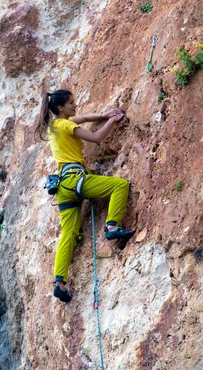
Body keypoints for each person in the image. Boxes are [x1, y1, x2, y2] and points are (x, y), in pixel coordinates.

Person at [35, 89, 134, 303]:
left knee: (68, 233)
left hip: (62, 186)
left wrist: (103, 115)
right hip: (75, 179)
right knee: (120, 186)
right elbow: (97, 137)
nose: (75, 105)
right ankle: (112, 226)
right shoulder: (66, 125)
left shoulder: (55, 126)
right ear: (61, 107)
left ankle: (60, 283)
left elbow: (86, 118)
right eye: (71, 103)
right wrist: (113, 120)